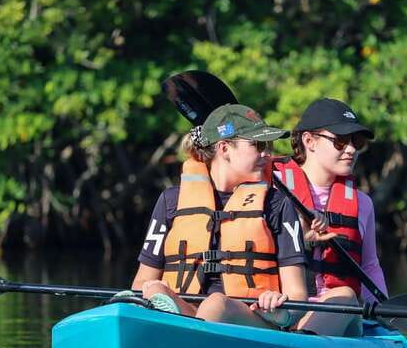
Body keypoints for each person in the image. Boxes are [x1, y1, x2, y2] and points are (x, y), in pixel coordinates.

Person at [130, 103, 312, 330]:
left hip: (250, 322)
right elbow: (141, 281)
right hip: (188, 315)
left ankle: (180, 338)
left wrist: (280, 309)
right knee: (153, 289)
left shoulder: (277, 204)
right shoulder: (171, 201)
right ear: (224, 149)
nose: (267, 153)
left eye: (268, 145)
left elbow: (297, 294)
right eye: (258, 145)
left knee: (217, 304)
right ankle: (176, 329)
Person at [272, 98, 386, 336]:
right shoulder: (274, 190)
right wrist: (301, 239)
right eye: (340, 141)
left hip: (341, 314)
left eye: (357, 141)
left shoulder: (362, 204)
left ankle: (304, 347)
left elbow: (369, 266)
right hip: (282, 309)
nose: (351, 149)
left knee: (344, 297)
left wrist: (385, 315)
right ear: (309, 141)